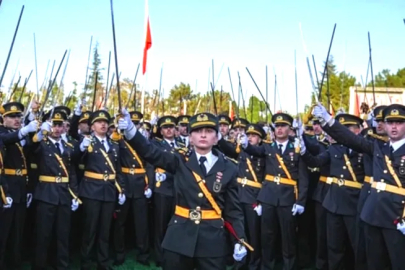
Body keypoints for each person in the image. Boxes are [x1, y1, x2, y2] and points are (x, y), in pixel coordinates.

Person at [118, 110, 247, 270]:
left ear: (216, 138)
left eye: (208, 131)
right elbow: (151, 152)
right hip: (179, 236)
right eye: (198, 131)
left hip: (212, 239)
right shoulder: (179, 160)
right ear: (190, 138)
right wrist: (131, 130)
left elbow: (233, 210)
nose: (203, 135)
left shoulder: (229, 167)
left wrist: (239, 239)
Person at [312, 103, 405, 269]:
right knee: (374, 263)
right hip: (373, 215)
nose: (394, 127)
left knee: (398, 262)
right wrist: (328, 121)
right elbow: (350, 139)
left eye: (399, 122)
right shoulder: (378, 147)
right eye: (390, 122)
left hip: (397, 216)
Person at [240, 112, 309, 270]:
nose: (279, 129)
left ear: (289, 128)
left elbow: (303, 178)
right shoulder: (267, 147)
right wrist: (246, 145)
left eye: (283, 126)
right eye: (276, 126)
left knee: (288, 238)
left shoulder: (297, 147)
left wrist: (300, 201)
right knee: (267, 238)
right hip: (268, 197)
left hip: (287, 198)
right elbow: (255, 152)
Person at [300, 114, 365, 270]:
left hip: (354, 203)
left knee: (358, 247)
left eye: (347, 129)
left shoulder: (365, 148)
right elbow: (317, 161)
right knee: (334, 246)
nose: (342, 133)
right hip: (333, 203)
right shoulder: (335, 148)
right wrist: (303, 152)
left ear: (358, 130)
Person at [30, 108, 80, 269]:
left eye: (60, 125)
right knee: (43, 234)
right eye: (54, 125)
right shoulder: (41, 144)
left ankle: (62, 266)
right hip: (46, 193)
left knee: (63, 234)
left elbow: (71, 172)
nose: (57, 129)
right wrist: (37, 136)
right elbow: (31, 150)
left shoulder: (67, 146)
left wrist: (75, 194)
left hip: (64, 194)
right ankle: (40, 266)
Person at [78, 110, 125, 270]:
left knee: (105, 230)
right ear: (92, 126)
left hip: (109, 191)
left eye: (105, 122)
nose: (103, 124)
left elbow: (118, 169)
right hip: (91, 190)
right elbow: (75, 161)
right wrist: (82, 149)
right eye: (99, 122)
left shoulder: (114, 145)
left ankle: (102, 262)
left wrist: (121, 189)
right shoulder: (87, 142)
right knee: (89, 229)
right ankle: (86, 262)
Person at [217, 123, 266, 270]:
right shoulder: (241, 150)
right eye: (249, 135)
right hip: (238, 195)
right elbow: (228, 150)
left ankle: (254, 263)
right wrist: (219, 138)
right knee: (239, 232)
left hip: (253, 198)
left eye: (254, 136)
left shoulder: (264, 154)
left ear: (260, 139)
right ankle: (240, 262)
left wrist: (261, 200)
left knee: (253, 233)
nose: (250, 138)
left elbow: (267, 179)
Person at [0, 102, 38, 270]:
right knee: (3, 232)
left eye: (18, 117)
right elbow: (5, 140)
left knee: (18, 233)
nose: (16, 119)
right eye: (12, 116)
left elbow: (29, 163)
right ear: (3, 118)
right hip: (6, 188)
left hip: (22, 189)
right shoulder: (3, 133)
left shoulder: (22, 136)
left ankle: (15, 264)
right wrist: (24, 131)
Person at [113, 111, 153, 266]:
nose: (135, 126)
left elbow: (149, 163)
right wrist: (119, 186)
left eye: (137, 124)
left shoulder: (142, 141)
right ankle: (119, 253)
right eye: (133, 123)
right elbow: (115, 163)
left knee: (141, 223)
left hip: (140, 184)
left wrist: (148, 184)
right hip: (124, 182)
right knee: (120, 222)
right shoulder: (119, 139)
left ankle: (143, 254)